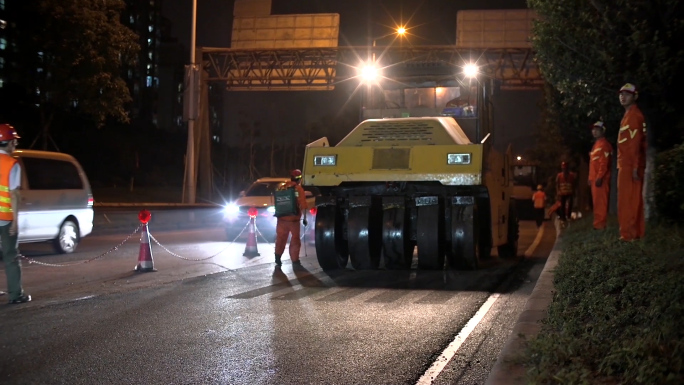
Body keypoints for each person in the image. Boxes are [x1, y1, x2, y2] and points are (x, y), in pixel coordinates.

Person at [0, 123, 31, 304]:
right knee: (11, 257)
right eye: (15, 142)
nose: (16, 145)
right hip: (4, 219)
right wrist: (15, 222)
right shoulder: (12, 165)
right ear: (10, 143)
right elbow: (14, 195)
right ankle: (16, 294)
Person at [616, 83, 647, 241]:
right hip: (626, 164)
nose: (623, 96)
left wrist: (635, 167)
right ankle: (631, 233)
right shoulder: (628, 116)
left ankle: (630, 235)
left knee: (630, 201)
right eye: (621, 93)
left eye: (627, 94)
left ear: (635, 97)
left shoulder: (634, 117)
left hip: (630, 166)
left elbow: (635, 144)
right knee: (627, 200)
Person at [274, 169, 308, 266]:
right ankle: (295, 260)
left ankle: (277, 257)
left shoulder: (282, 187)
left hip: (281, 219)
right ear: (299, 179)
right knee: (295, 240)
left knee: (280, 239)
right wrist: (304, 218)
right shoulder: (298, 189)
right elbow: (303, 204)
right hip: (294, 220)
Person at [588, 121, 613, 230]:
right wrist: (590, 178)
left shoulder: (604, 145)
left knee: (601, 203)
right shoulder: (596, 145)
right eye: (593, 129)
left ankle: (600, 225)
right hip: (595, 179)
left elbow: (604, 163)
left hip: (600, 180)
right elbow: (593, 163)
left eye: (597, 129)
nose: (594, 131)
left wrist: (599, 177)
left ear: (603, 131)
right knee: (596, 203)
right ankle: (597, 223)